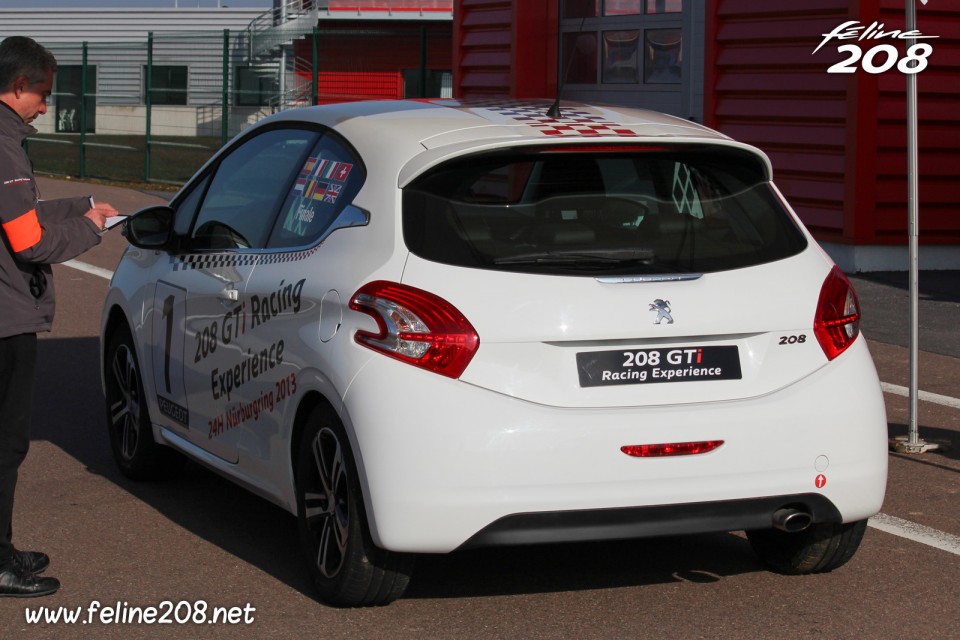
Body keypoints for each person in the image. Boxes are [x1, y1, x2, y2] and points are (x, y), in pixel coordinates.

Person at [0, 35, 116, 597]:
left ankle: (2, 548)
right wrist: (92, 229)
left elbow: (19, 213)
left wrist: (78, 206)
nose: (44, 106)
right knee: (6, 444)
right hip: (4, 319)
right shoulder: (2, 144)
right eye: (41, 94)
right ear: (17, 86)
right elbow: (29, 243)